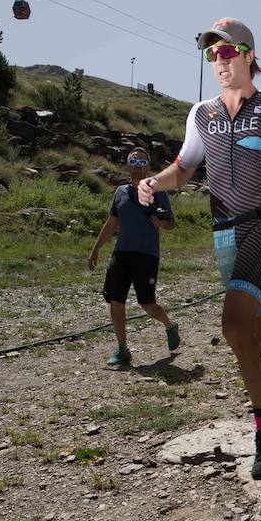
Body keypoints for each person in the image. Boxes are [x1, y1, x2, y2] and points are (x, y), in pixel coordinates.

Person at [136, 18, 261, 481]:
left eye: (227, 51)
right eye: (212, 53)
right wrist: (154, 182)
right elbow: (184, 167)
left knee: (232, 325)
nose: (219, 60)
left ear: (249, 54)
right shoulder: (200, 113)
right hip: (224, 233)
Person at [88, 147, 180, 365]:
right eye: (134, 161)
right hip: (121, 253)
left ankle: (169, 325)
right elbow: (112, 223)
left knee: (147, 304)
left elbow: (172, 223)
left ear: (147, 167)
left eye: (142, 162)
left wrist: (161, 223)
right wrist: (95, 249)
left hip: (146, 254)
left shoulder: (158, 191)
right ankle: (122, 349)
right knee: (115, 300)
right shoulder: (120, 192)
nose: (137, 166)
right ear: (127, 166)